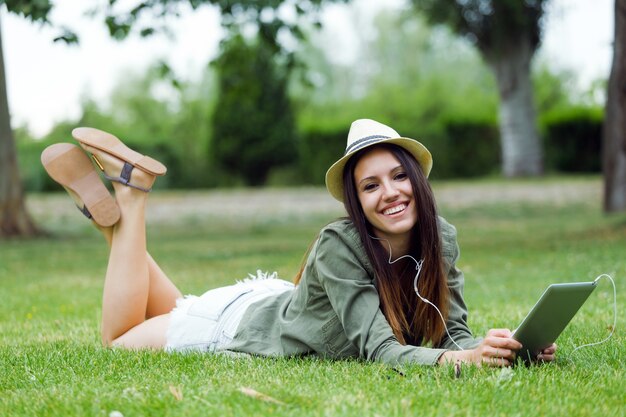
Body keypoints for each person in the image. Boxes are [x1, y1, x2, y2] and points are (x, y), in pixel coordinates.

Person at [41, 119, 556, 367]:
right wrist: (462, 364)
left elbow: (453, 332)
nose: (391, 194)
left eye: (398, 177)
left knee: (162, 302)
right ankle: (130, 200)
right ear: (355, 202)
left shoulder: (441, 239)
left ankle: (113, 226)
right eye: (370, 185)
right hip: (235, 328)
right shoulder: (342, 243)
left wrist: (497, 350)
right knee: (118, 339)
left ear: (417, 181)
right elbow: (380, 351)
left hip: (266, 303)